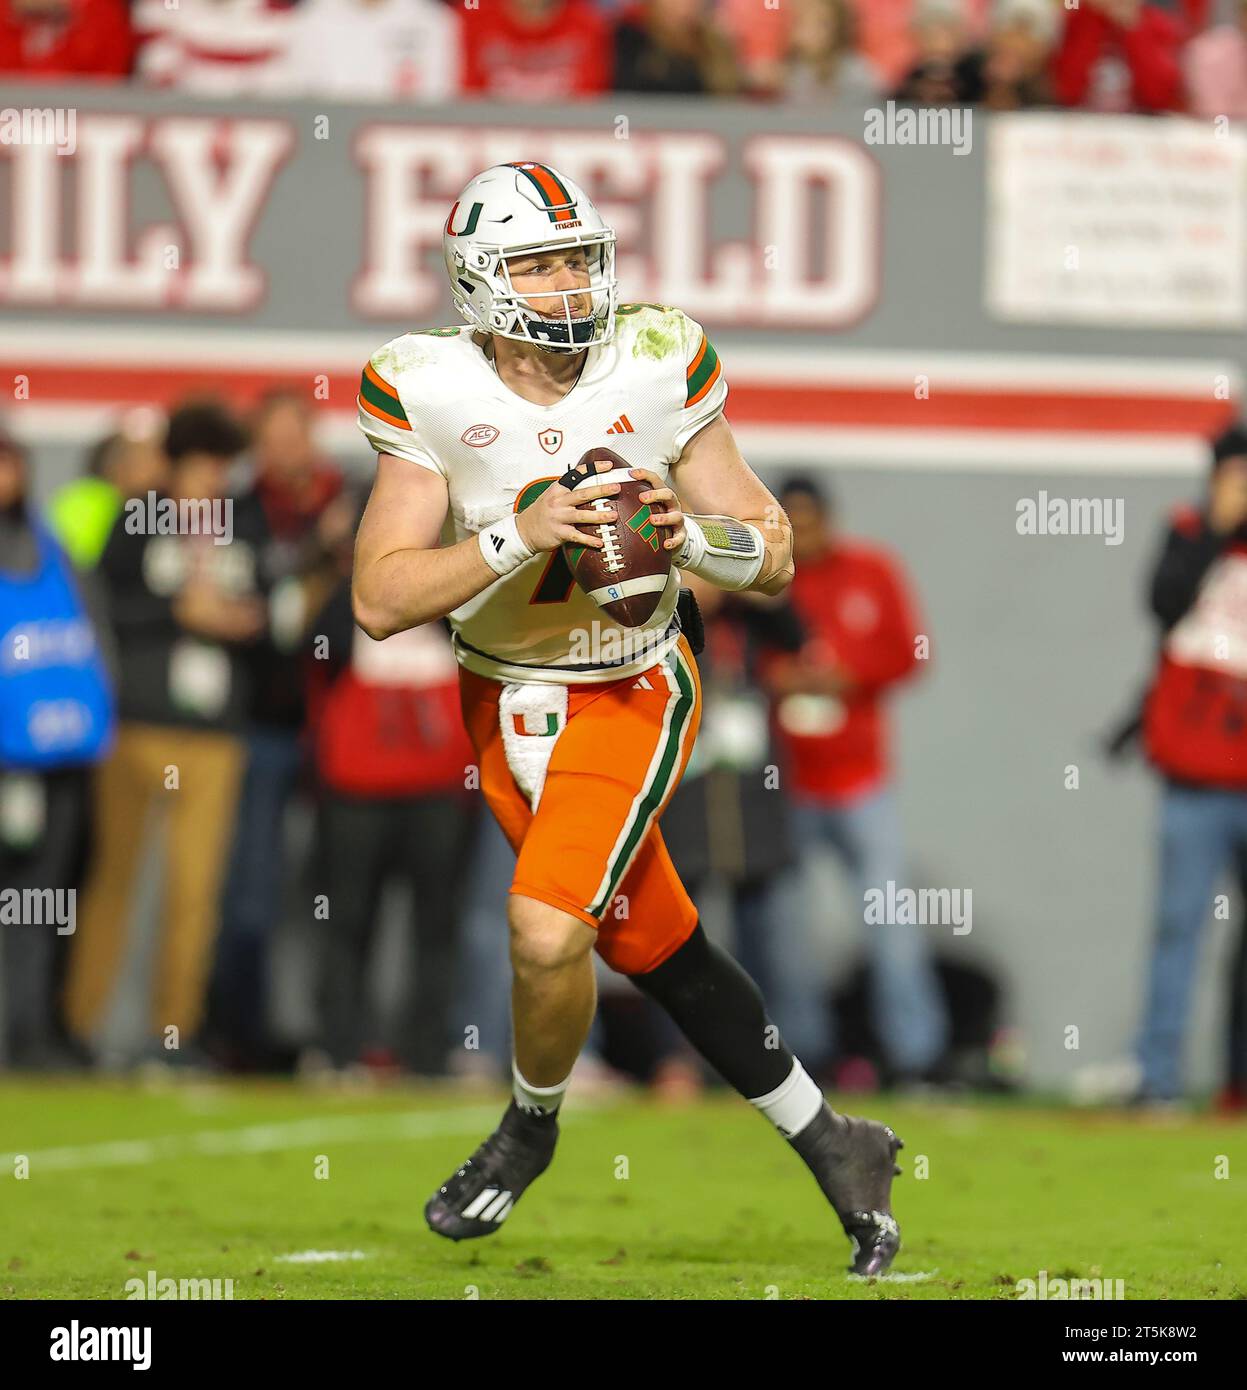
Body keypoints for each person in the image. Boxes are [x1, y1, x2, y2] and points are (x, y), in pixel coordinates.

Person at [351, 161, 904, 1275]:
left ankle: (529, 1126)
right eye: (537, 264)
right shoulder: (428, 386)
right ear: (479, 281)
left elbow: (771, 551)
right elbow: (376, 599)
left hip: (630, 681)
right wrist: (520, 529)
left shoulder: (653, 360)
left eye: (574, 258)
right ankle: (834, 1142)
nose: (566, 284)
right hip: (499, 691)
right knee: (656, 942)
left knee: (543, 930)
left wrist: (690, 540)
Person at [64, 403, 264, 1068]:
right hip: (139, 725)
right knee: (114, 879)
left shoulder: (243, 523)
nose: (212, 478)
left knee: (195, 889)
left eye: (221, 465)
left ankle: (172, 1034)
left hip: (214, 733)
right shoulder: (136, 517)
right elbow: (104, 607)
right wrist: (176, 611)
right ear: (175, 463)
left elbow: (272, 604)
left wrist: (241, 620)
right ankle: (80, 1028)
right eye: (202, 463)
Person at [766, 476, 948, 1086]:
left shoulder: (872, 571)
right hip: (785, 782)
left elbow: (911, 653)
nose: (806, 534)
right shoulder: (762, 583)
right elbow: (729, 656)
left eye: (812, 521)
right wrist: (780, 680)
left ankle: (916, 1056)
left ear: (831, 519)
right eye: (794, 524)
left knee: (891, 923)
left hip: (860, 781)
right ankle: (801, 1061)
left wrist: (848, 675)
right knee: (787, 933)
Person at [205, 390, 347, 1070]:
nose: (286, 449)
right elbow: (249, 608)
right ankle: (239, 1036)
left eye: (296, 434)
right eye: (273, 437)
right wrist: (310, 560)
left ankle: (331, 1038)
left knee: (334, 894)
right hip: (260, 723)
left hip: (340, 724)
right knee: (251, 890)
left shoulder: (346, 503)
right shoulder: (238, 512)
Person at [1134, 424, 1247, 1103]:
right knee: (1177, 927)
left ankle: (1238, 1080)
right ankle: (1156, 1081)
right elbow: (1161, 603)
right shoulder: (1185, 532)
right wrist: (1213, 529)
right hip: (1194, 778)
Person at [0, 430, 115, 1067]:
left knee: (44, 901)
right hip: (13, 755)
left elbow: (93, 634)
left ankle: (34, 1033)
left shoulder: (50, 548)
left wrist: (103, 709)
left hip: (60, 752)